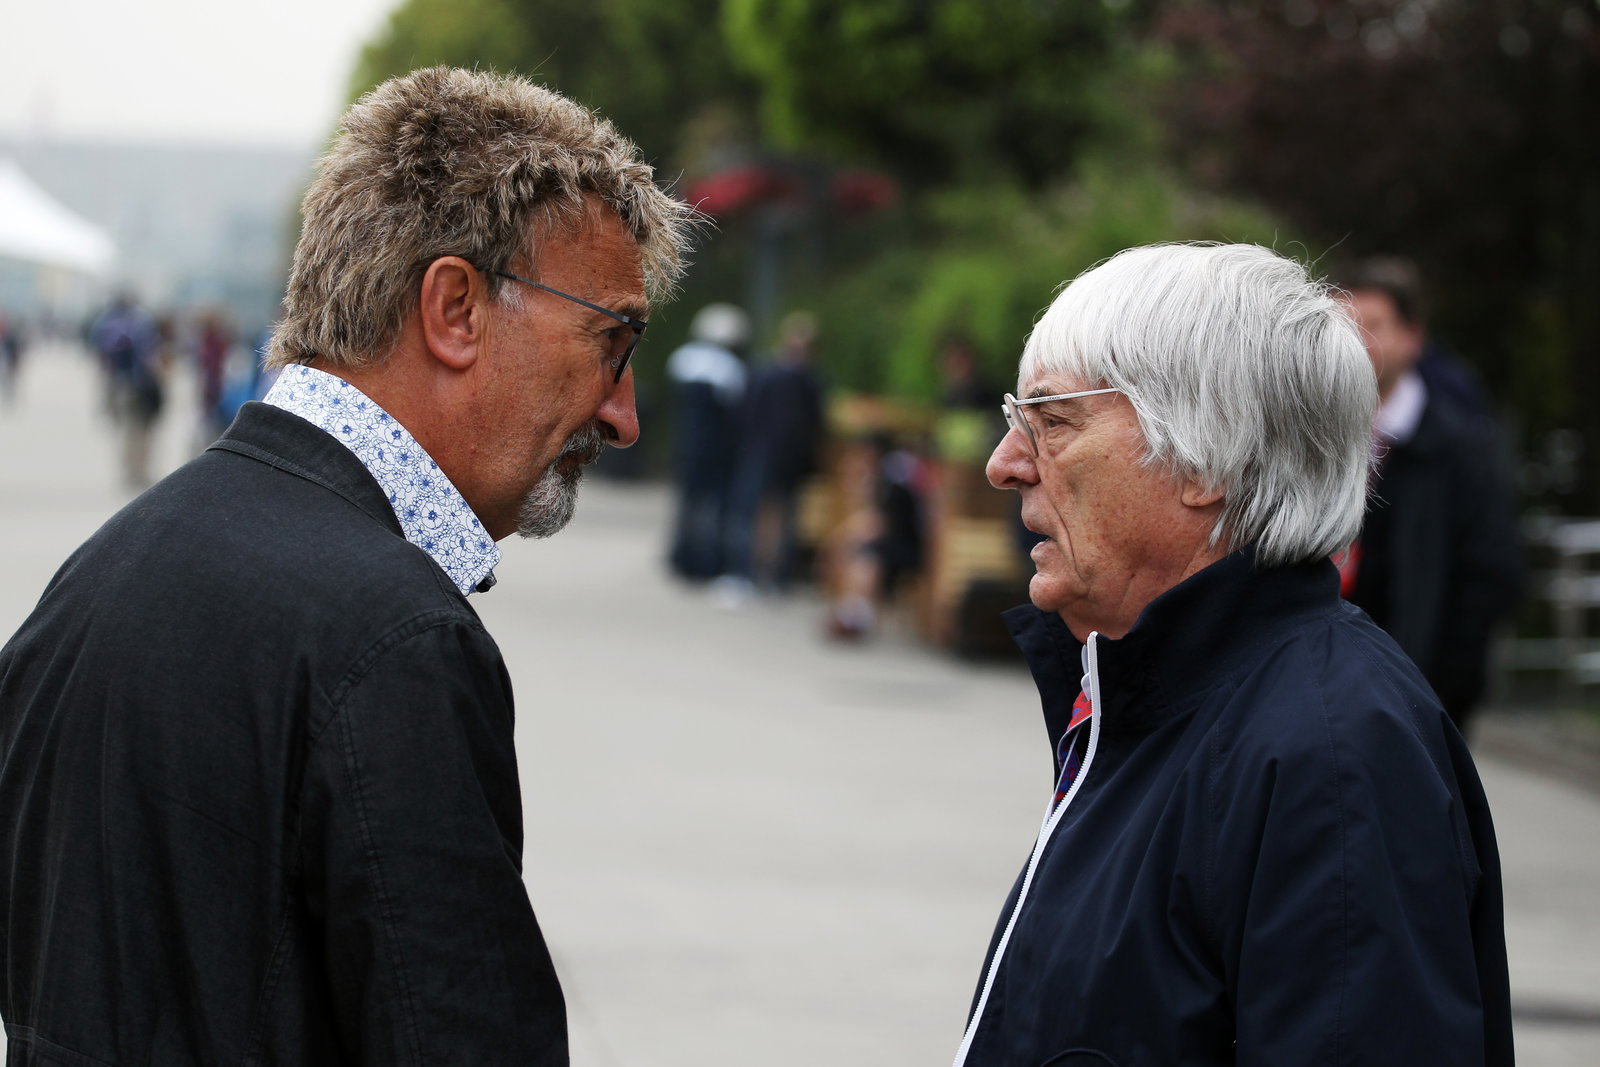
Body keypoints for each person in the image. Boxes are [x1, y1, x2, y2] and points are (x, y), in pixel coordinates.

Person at [0, 67, 696, 1067]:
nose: (622, 413)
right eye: (611, 341)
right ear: (454, 307)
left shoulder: (102, 574)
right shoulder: (392, 637)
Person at [953, 243, 1512, 1066]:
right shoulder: (1159, 694)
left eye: (1053, 419)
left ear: (1205, 460)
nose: (1005, 463)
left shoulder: (1328, 753)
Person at [1336, 258, 1522, 733]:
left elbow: (1491, 572)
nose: (1356, 340)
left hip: (1420, 696)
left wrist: (1443, 691)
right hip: (1323, 687)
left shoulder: (1460, 448)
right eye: (1341, 324)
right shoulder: (1307, 437)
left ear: (1411, 339)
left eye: (1373, 326)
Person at [721, 309, 827, 600]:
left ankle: (774, 576)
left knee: (780, 517)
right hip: (762, 451)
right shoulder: (773, 373)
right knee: (752, 513)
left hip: (784, 456)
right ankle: (746, 573)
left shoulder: (806, 379)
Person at [665, 302, 749, 580]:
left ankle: (680, 558)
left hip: (686, 443)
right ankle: (707, 562)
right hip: (716, 449)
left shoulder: (683, 358)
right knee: (712, 505)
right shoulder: (731, 368)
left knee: (686, 502)